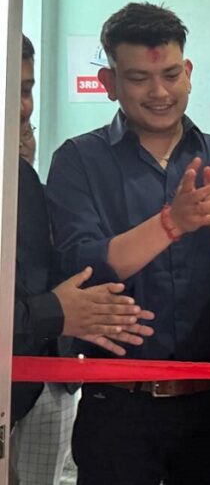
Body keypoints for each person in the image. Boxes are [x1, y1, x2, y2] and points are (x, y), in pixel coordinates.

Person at [45, 3, 210, 484]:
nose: (160, 92)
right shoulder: (78, 160)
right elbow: (80, 268)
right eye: (139, 78)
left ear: (188, 72)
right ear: (109, 82)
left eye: (170, 74)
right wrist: (171, 223)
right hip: (117, 407)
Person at [11, 35, 154, 483]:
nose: (21, 107)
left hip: (44, 382)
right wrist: (55, 312)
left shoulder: (22, 178)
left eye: (27, 89)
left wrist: (83, 314)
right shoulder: (75, 159)